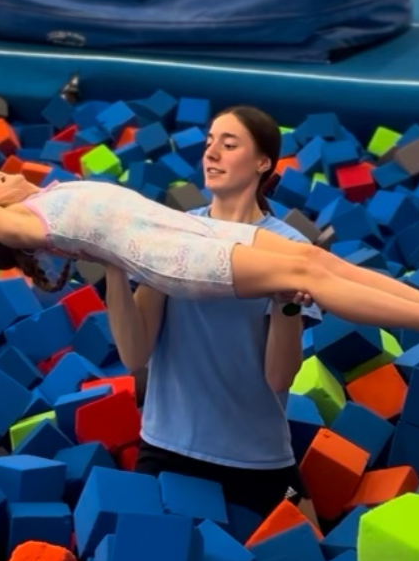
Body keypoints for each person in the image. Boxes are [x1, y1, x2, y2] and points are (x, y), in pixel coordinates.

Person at [0, 134, 419, 357]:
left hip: (186, 231)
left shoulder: (31, 194)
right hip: (169, 260)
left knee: (315, 259)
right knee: (307, 279)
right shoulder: (18, 224)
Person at [98, 106, 314, 516]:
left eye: (229, 144)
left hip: (255, 458)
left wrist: (285, 303)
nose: (211, 152)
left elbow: (280, 377)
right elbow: (134, 354)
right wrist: (112, 262)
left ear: (262, 163)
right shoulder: (172, 233)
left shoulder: (291, 250)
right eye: (210, 141)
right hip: (167, 448)